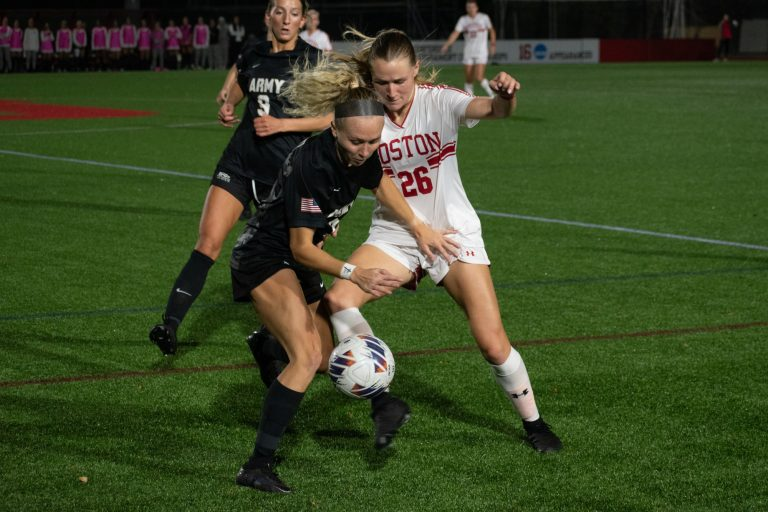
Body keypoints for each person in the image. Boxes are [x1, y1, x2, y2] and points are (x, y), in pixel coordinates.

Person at [254, 28, 563, 454]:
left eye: (400, 81)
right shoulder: (364, 113)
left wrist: (506, 95)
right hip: (395, 233)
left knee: (492, 342)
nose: (392, 91)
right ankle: (376, 392)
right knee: (341, 300)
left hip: (452, 233)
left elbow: (493, 110)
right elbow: (334, 164)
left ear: (416, 70)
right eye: (382, 82)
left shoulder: (439, 101)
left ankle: (534, 423)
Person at [231, 84, 455, 493]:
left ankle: (268, 345)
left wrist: (418, 227)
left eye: (373, 140)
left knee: (318, 362)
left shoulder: (363, 151)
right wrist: (356, 273)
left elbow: (381, 182)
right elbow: (300, 248)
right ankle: (256, 465)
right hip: (265, 258)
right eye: (356, 141)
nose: (365, 149)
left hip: (301, 257)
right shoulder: (312, 166)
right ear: (334, 130)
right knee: (308, 357)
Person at [149, 0, 333, 356]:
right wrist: (228, 105)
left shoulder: (313, 60)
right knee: (207, 243)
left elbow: (328, 119)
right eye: (279, 11)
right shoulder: (253, 52)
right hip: (238, 162)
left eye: (294, 13)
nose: (286, 19)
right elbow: (239, 87)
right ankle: (168, 326)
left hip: (283, 176)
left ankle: (271, 338)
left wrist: (283, 124)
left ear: (303, 19)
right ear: (267, 16)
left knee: (292, 258)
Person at [440, 0, 496, 97]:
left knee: (479, 77)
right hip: (468, 52)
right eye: (468, 7)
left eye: (472, 7)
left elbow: (492, 31)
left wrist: (492, 44)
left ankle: (492, 95)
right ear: (466, 9)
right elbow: (455, 33)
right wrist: (447, 45)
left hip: (481, 52)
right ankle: (469, 99)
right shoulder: (463, 20)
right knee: (469, 79)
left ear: (476, 8)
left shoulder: (484, 18)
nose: (470, 9)